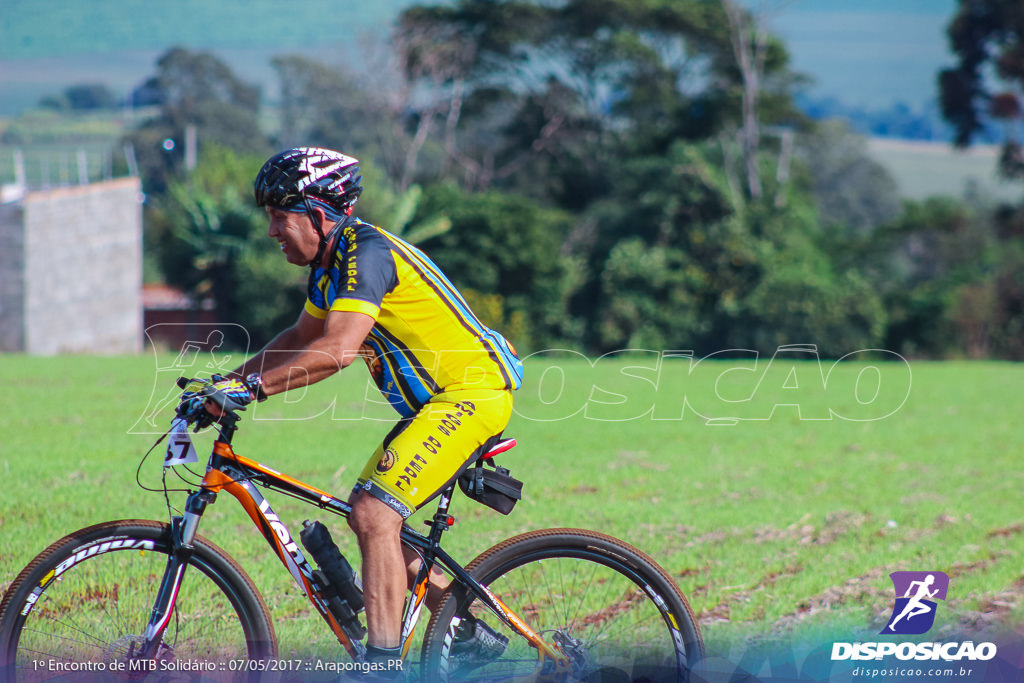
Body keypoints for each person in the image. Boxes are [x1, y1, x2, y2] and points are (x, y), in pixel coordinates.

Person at [179, 147, 523, 670]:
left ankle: (380, 663)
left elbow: (337, 349)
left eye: (279, 216)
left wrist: (253, 392)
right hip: (435, 406)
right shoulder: (329, 268)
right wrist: (225, 382)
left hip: (470, 395)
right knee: (378, 523)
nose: (272, 231)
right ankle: (468, 631)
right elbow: (300, 337)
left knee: (373, 513)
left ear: (319, 213)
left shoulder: (367, 252)